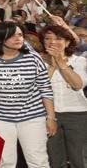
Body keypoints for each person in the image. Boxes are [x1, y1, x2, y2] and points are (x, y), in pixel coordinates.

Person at [0, 22, 54, 168]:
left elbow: (45, 88)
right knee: (5, 162)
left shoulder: (33, 58)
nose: (18, 38)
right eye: (12, 35)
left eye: (20, 35)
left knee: (38, 161)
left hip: (32, 116)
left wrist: (51, 117)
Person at [38, 24, 87, 168]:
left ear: (67, 42)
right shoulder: (38, 61)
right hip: (48, 115)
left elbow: (77, 85)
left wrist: (60, 62)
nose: (52, 42)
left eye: (59, 38)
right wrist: (52, 66)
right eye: (48, 38)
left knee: (79, 158)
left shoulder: (79, 61)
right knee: (54, 159)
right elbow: (38, 88)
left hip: (77, 114)